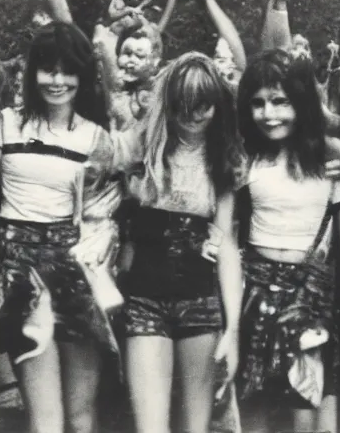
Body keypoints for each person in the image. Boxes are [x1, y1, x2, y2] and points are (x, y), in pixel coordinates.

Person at [233, 50, 340, 433]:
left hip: (312, 301)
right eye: (259, 103)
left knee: (307, 415)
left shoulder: (331, 163)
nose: (269, 114)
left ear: (301, 102)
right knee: (251, 413)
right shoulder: (247, 159)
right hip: (254, 299)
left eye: (281, 102)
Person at [0, 20, 117, 433]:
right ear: (33, 71)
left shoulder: (96, 137)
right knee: (47, 420)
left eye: (68, 70)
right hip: (21, 276)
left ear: (83, 74)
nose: (57, 80)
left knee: (80, 416)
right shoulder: (4, 123)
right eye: (48, 69)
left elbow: (102, 216)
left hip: (75, 273)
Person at [106, 52, 246, 433]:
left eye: (204, 105)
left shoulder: (223, 161)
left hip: (200, 300)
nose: (194, 115)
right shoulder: (144, 147)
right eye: (184, 105)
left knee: (195, 427)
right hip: (144, 298)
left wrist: (233, 327)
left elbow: (227, 245)